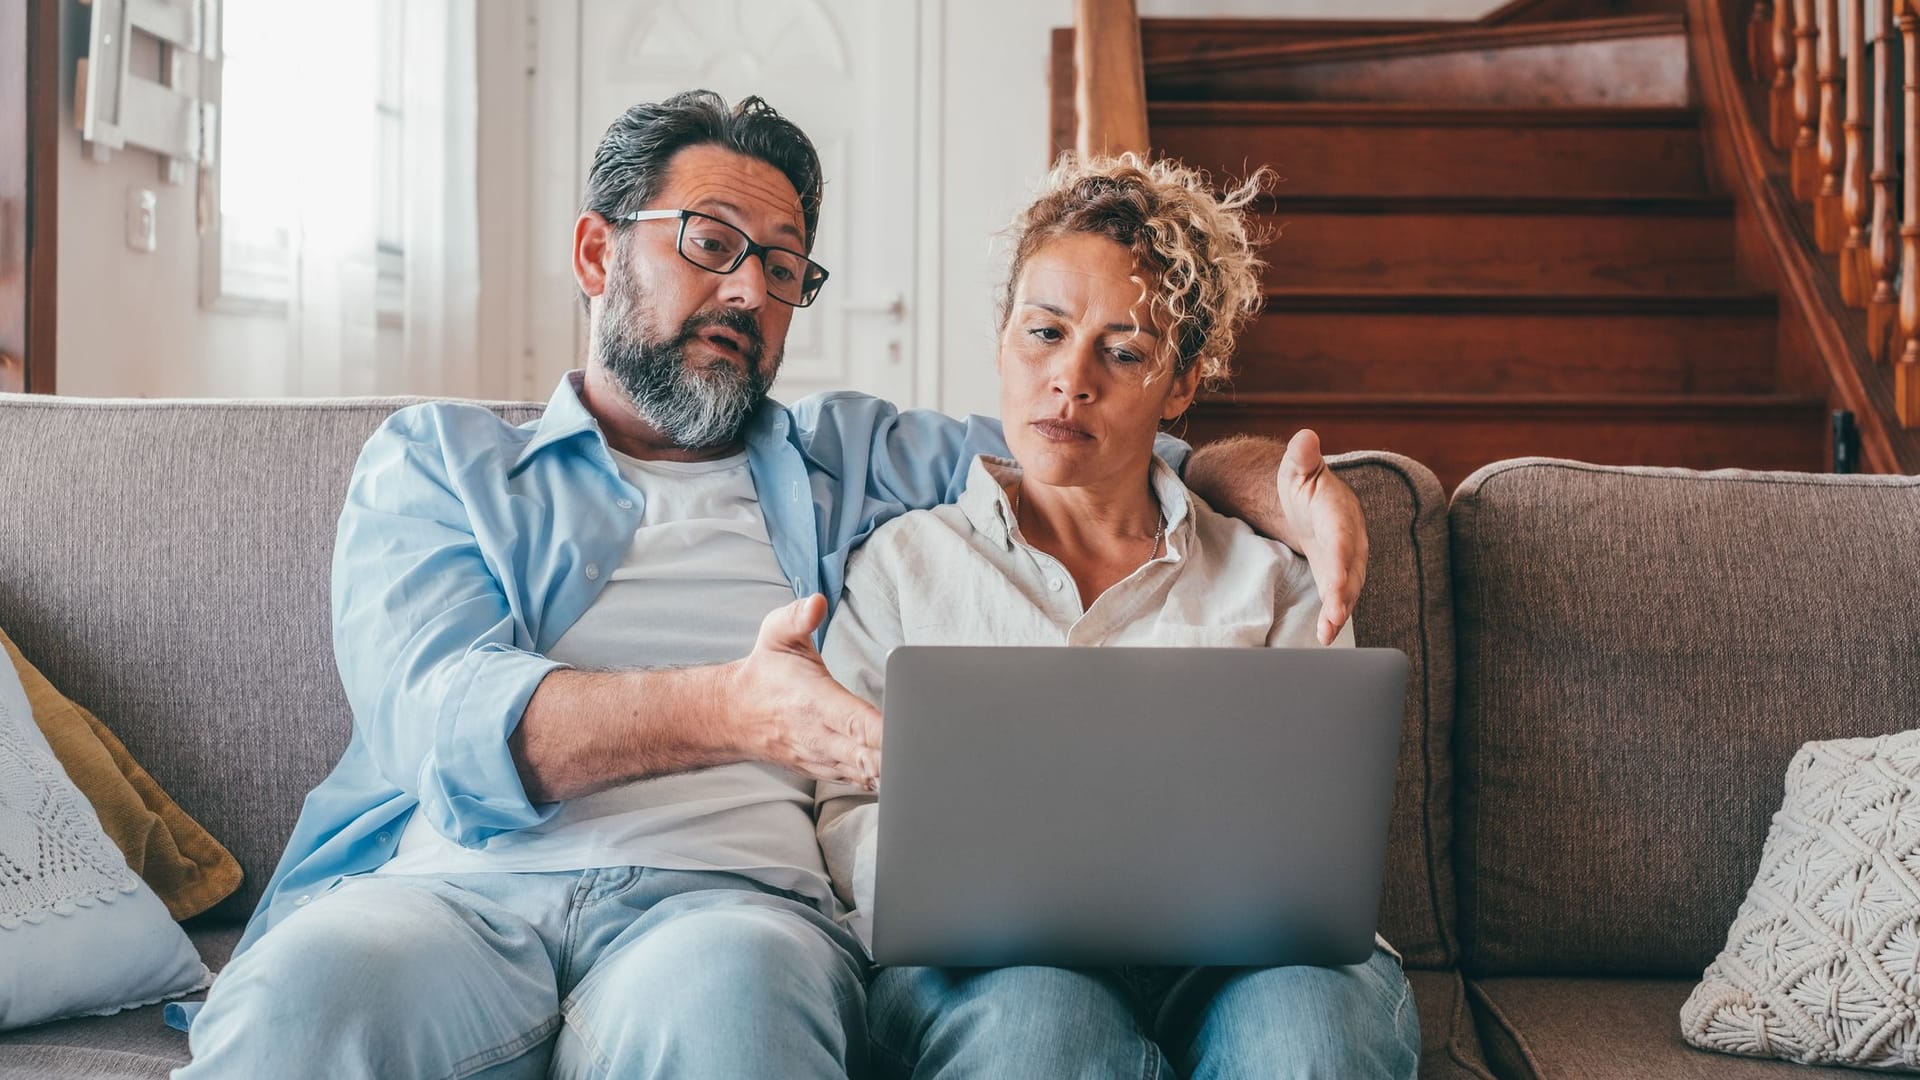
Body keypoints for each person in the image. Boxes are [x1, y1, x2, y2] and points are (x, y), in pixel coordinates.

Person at [170, 92, 1371, 1080]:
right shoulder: (440, 463)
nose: (750, 291)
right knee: (297, 1004)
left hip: (729, 907)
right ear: (599, 251)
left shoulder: (853, 460)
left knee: (736, 1016)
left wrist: (1283, 486)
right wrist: (738, 711)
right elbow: (440, 722)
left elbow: (1100, 442)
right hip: (446, 891)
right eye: (711, 244)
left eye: (785, 269)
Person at [817, 153, 1419, 1080]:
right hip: (993, 968)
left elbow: (1321, 823)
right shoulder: (904, 565)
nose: (1071, 379)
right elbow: (848, 807)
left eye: (1124, 350)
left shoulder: (1275, 579)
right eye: (1044, 333)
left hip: (1249, 965)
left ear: (1181, 387)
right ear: (1003, 340)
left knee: (1307, 1041)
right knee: (1035, 1041)